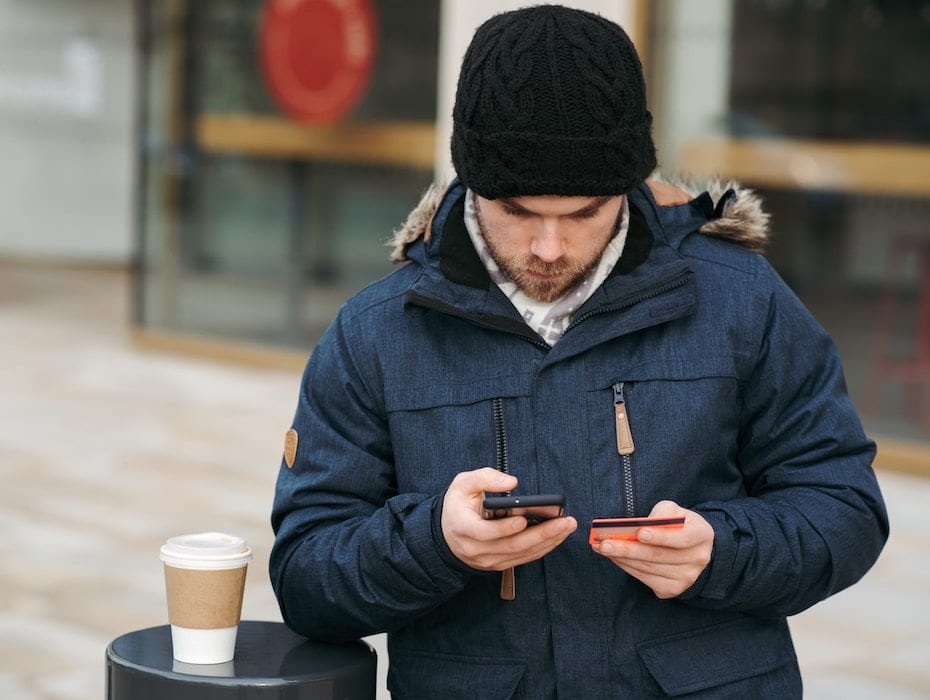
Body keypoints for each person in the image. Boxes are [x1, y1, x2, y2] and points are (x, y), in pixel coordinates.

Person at [270, 5, 888, 698]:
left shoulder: (742, 300)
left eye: (585, 214)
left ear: (627, 186)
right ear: (470, 181)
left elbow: (845, 508)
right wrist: (432, 542)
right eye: (518, 212)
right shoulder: (376, 331)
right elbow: (305, 575)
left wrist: (723, 552)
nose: (549, 248)